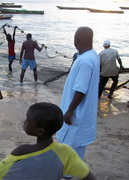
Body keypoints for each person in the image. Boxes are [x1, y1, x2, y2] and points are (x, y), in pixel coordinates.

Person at [0, 102, 97, 180]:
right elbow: (87, 175)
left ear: (40, 131)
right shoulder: (66, 152)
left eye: (27, 120)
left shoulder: (22, 151)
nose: (24, 122)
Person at [56, 27, 100, 179]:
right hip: (83, 119)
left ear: (77, 40)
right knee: (76, 153)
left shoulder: (85, 61)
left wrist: (69, 110)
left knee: (67, 152)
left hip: (75, 117)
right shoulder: (92, 55)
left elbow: (81, 89)